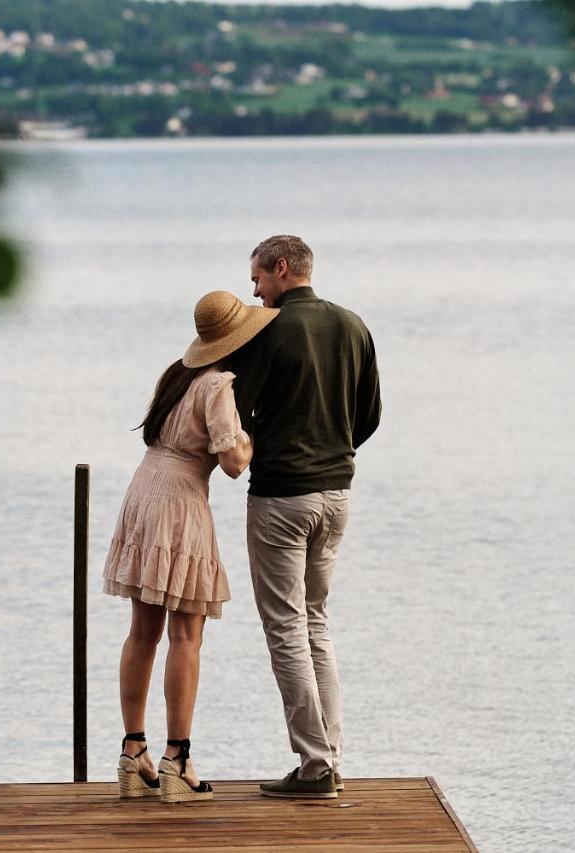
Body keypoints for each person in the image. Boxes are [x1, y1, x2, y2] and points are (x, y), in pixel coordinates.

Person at [103, 290, 278, 804]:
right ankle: (177, 759)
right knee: (186, 636)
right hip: (180, 502)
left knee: (142, 633)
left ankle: (133, 751)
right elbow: (233, 462)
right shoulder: (218, 384)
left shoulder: (174, 375)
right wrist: (254, 437)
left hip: (143, 492)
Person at [232, 235, 382, 799]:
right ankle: (329, 757)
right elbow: (368, 415)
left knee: (285, 628)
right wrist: (331, 449)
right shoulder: (354, 325)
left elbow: (238, 413)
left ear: (282, 268)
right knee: (316, 622)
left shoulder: (267, 331)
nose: (255, 290)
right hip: (337, 493)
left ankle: (316, 767)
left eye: (258, 279)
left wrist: (271, 449)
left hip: (280, 497)